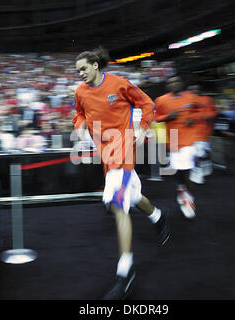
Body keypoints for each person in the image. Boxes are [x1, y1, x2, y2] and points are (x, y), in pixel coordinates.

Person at [73, 47, 170, 300]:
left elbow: (147, 104)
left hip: (124, 150)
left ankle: (125, 273)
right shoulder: (80, 92)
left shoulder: (119, 84)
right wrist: (80, 127)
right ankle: (158, 217)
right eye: (77, 71)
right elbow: (79, 114)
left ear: (95, 65)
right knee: (133, 197)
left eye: (83, 68)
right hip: (106, 156)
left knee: (118, 204)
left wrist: (142, 126)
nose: (80, 73)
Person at [154, 76, 202, 219]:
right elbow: (156, 117)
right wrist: (168, 116)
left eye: (176, 81)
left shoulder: (191, 97)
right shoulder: (161, 100)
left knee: (187, 169)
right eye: (171, 83)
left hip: (189, 139)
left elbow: (201, 112)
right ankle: (181, 188)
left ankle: (188, 197)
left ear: (181, 83)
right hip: (173, 139)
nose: (174, 84)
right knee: (178, 170)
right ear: (168, 86)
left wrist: (194, 118)